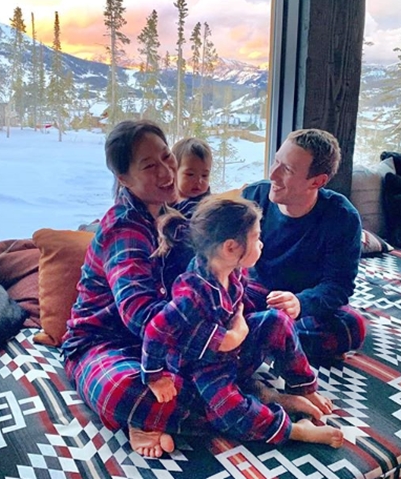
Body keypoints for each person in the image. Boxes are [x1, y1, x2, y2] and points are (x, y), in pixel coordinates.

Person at [141, 195, 344, 447]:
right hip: (204, 368)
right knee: (228, 410)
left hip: (235, 354)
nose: (261, 244)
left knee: (276, 320)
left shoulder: (233, 271)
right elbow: (155, 330)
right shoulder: (191, 294)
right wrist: (154, 377)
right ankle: (294, 430)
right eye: (256, 238)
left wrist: (241, 328)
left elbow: (242, 311)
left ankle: (301, 388)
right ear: (230, 248)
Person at [62, 120, 202, 459]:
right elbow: (140, 314)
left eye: (167, 156)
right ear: (124, 178)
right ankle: (237, 408)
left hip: (157, 347)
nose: (166, 171)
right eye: (149, 166)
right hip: (102, 343)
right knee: (122, 390)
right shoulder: (124, 227)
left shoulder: (173, 216)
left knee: (246, 344)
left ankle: (166, 413)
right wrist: (208, 335)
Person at [242, 128, 366, 359]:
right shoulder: (252, 197)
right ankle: (275, 338)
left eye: (287, 169)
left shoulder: (342, 216)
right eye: (276, 162)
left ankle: (257, 336)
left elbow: (338, 285)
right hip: (255, 291)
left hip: (301, 302)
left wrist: (299, 303)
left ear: (317, 181)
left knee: (352, 326)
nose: (273, 175)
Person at [171, 137, 213, 217]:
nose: (199, 181)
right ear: (174, 172)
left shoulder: (204, 206)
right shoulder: (166, 199)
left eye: (204, 175)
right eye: (190, 174)